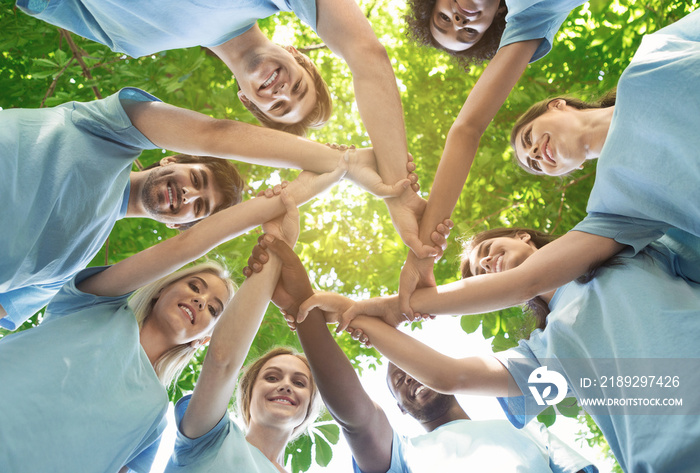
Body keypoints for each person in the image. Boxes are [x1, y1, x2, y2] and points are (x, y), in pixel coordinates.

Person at [0, 161, 343, 472]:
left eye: (213, 309)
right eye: (195, 286)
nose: (200, 301)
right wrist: (277, 221)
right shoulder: (95, 307)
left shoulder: (152, 420)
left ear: (203, 338)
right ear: (162, 288)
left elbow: (224, 356)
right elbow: (185, 247)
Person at [0, 87, 415, 331]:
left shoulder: (72, 265)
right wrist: (337, 161)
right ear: (171, 160)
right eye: (194, 180)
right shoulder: (106, 133)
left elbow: (189, 249)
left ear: (184, 226)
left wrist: (314, 184)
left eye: (199, 208)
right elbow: (214, 135)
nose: (188, 196)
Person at [295, 225, 700, 473]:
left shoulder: (631, 248)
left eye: (486, 251)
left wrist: (388, 307)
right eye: (477, 275)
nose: (483, 263)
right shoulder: (547, 356)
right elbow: (448, 376)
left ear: (523, 235)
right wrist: (355, 314)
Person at [244, 236, 596, 473]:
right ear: (398, 405)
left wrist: (358, 310)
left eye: (412, 368)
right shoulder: (401, 454)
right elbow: (358, 418)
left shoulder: (530, 433)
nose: (409, 376)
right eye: (397, 380)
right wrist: (306, 312)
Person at [397, 0, 588, 319]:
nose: (457, 21)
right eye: (469, 31)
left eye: (444, 18)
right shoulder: (531, 18)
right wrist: (421, 257)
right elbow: (467, 129)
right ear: (498, 17)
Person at [509, 9, 700, 281]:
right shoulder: (614, 204)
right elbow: (527, 280)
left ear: (557, 105)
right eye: (534, 163)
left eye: (528, 139)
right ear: (567, 170)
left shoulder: (649, 62)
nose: (535, 153)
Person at [165, 190, 322, 473]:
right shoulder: (209, 438)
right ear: (247, 395)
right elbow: (222, 358)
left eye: (300, 383)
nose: (285, 385)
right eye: (272, 377)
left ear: (310, 407)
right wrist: (278, 247)